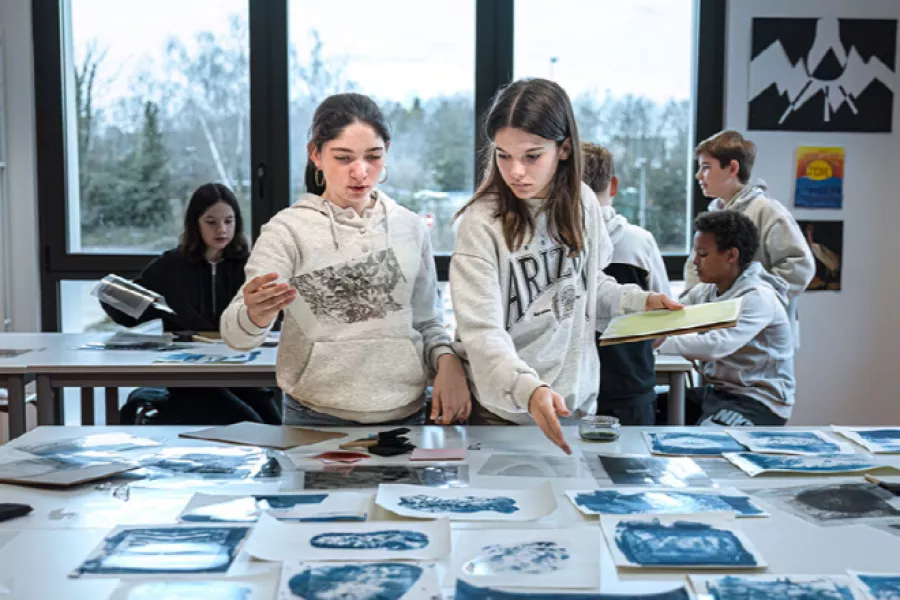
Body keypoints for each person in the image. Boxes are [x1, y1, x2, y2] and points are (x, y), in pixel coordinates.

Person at [450, 78, 681, 454]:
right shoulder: (481, 222)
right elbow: (481, 332)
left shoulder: (583, 204)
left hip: (576, 406)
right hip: (505, 413)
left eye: (531, 155)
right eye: (503, 155)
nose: (516, 171)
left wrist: (638, 301)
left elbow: (588, 288)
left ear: (564, 149)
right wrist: (530, 389)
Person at [220, 93, 470, 426]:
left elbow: (427, 323)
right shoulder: (287, 231)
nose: (360, 172)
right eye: (343, 157)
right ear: (316, 155)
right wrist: (254, 314)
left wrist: (446, 360)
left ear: (386, 153)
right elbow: (236, 336)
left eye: (373, 157)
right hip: (315, 417)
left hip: (406, 415)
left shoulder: (410, 227)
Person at [100, 183, 282, 425]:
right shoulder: (170, 266)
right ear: (195, 224)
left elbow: (272, 318)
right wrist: (110, 294)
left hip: (242, 375)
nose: (222, 229)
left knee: (274, 424)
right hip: (190, 380)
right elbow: (130, 316)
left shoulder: (251, 265)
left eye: (229, 221)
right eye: (211, 222)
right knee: (251, 424)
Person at [658, 211, 795, 426]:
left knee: (706, 440)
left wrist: (659, 342)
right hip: (718, 392)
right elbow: (675, 317)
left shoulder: (757, 297)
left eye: (703, 254)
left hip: (757, 400)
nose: (695, 261)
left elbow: (717, 345)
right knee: (646, 408)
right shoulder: (705, 291)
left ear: (731, 256)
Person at [685, 130, 814, 341]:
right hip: (719, 331)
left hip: (758, 337)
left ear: (732, 168)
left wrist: (748, 300)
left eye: (706, 167)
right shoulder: (714, 214)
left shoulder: (767, 211)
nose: (699, 176)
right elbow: (696, 267)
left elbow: (799, 268)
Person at [582, 143, 671, 425]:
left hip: (569, 388)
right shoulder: (640, 241)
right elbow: (663, 322)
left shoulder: (555, 242)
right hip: (628, 384)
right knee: (631, 466)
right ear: (614, 185)